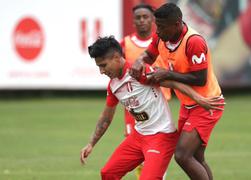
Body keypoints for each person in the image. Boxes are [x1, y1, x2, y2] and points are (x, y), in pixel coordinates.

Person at [80, 36, 224, 180]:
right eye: (99, 66)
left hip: (161, 136)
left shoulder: (138, 72)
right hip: (138, 136)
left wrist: (199, 99)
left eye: (103, 65)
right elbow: (106, 118)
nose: (101, 71)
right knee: (108, 173)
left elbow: (173, 83)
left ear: (116, 57)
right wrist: (91, 144)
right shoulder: (113, 86)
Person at [130, 3, 225, 180]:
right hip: (188, 104)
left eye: (162, 27)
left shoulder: (193, 41)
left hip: (206, 104)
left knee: (182, 155)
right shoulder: (162, 38)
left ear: (177, 24)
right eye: (157, 26)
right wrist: (139, 61)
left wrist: (167, 74)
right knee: (196, 157)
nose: (157, 31)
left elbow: (200, 79)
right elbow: (149, 55)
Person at [120, 4, 171, 179]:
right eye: (138, 17)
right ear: (133, 21)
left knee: (155, 155)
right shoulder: (125, 44)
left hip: (159, 107)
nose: (142, 21)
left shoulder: (163, 42)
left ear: (153, 20)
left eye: (146, 17)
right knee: (139, 157)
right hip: (135, 108)